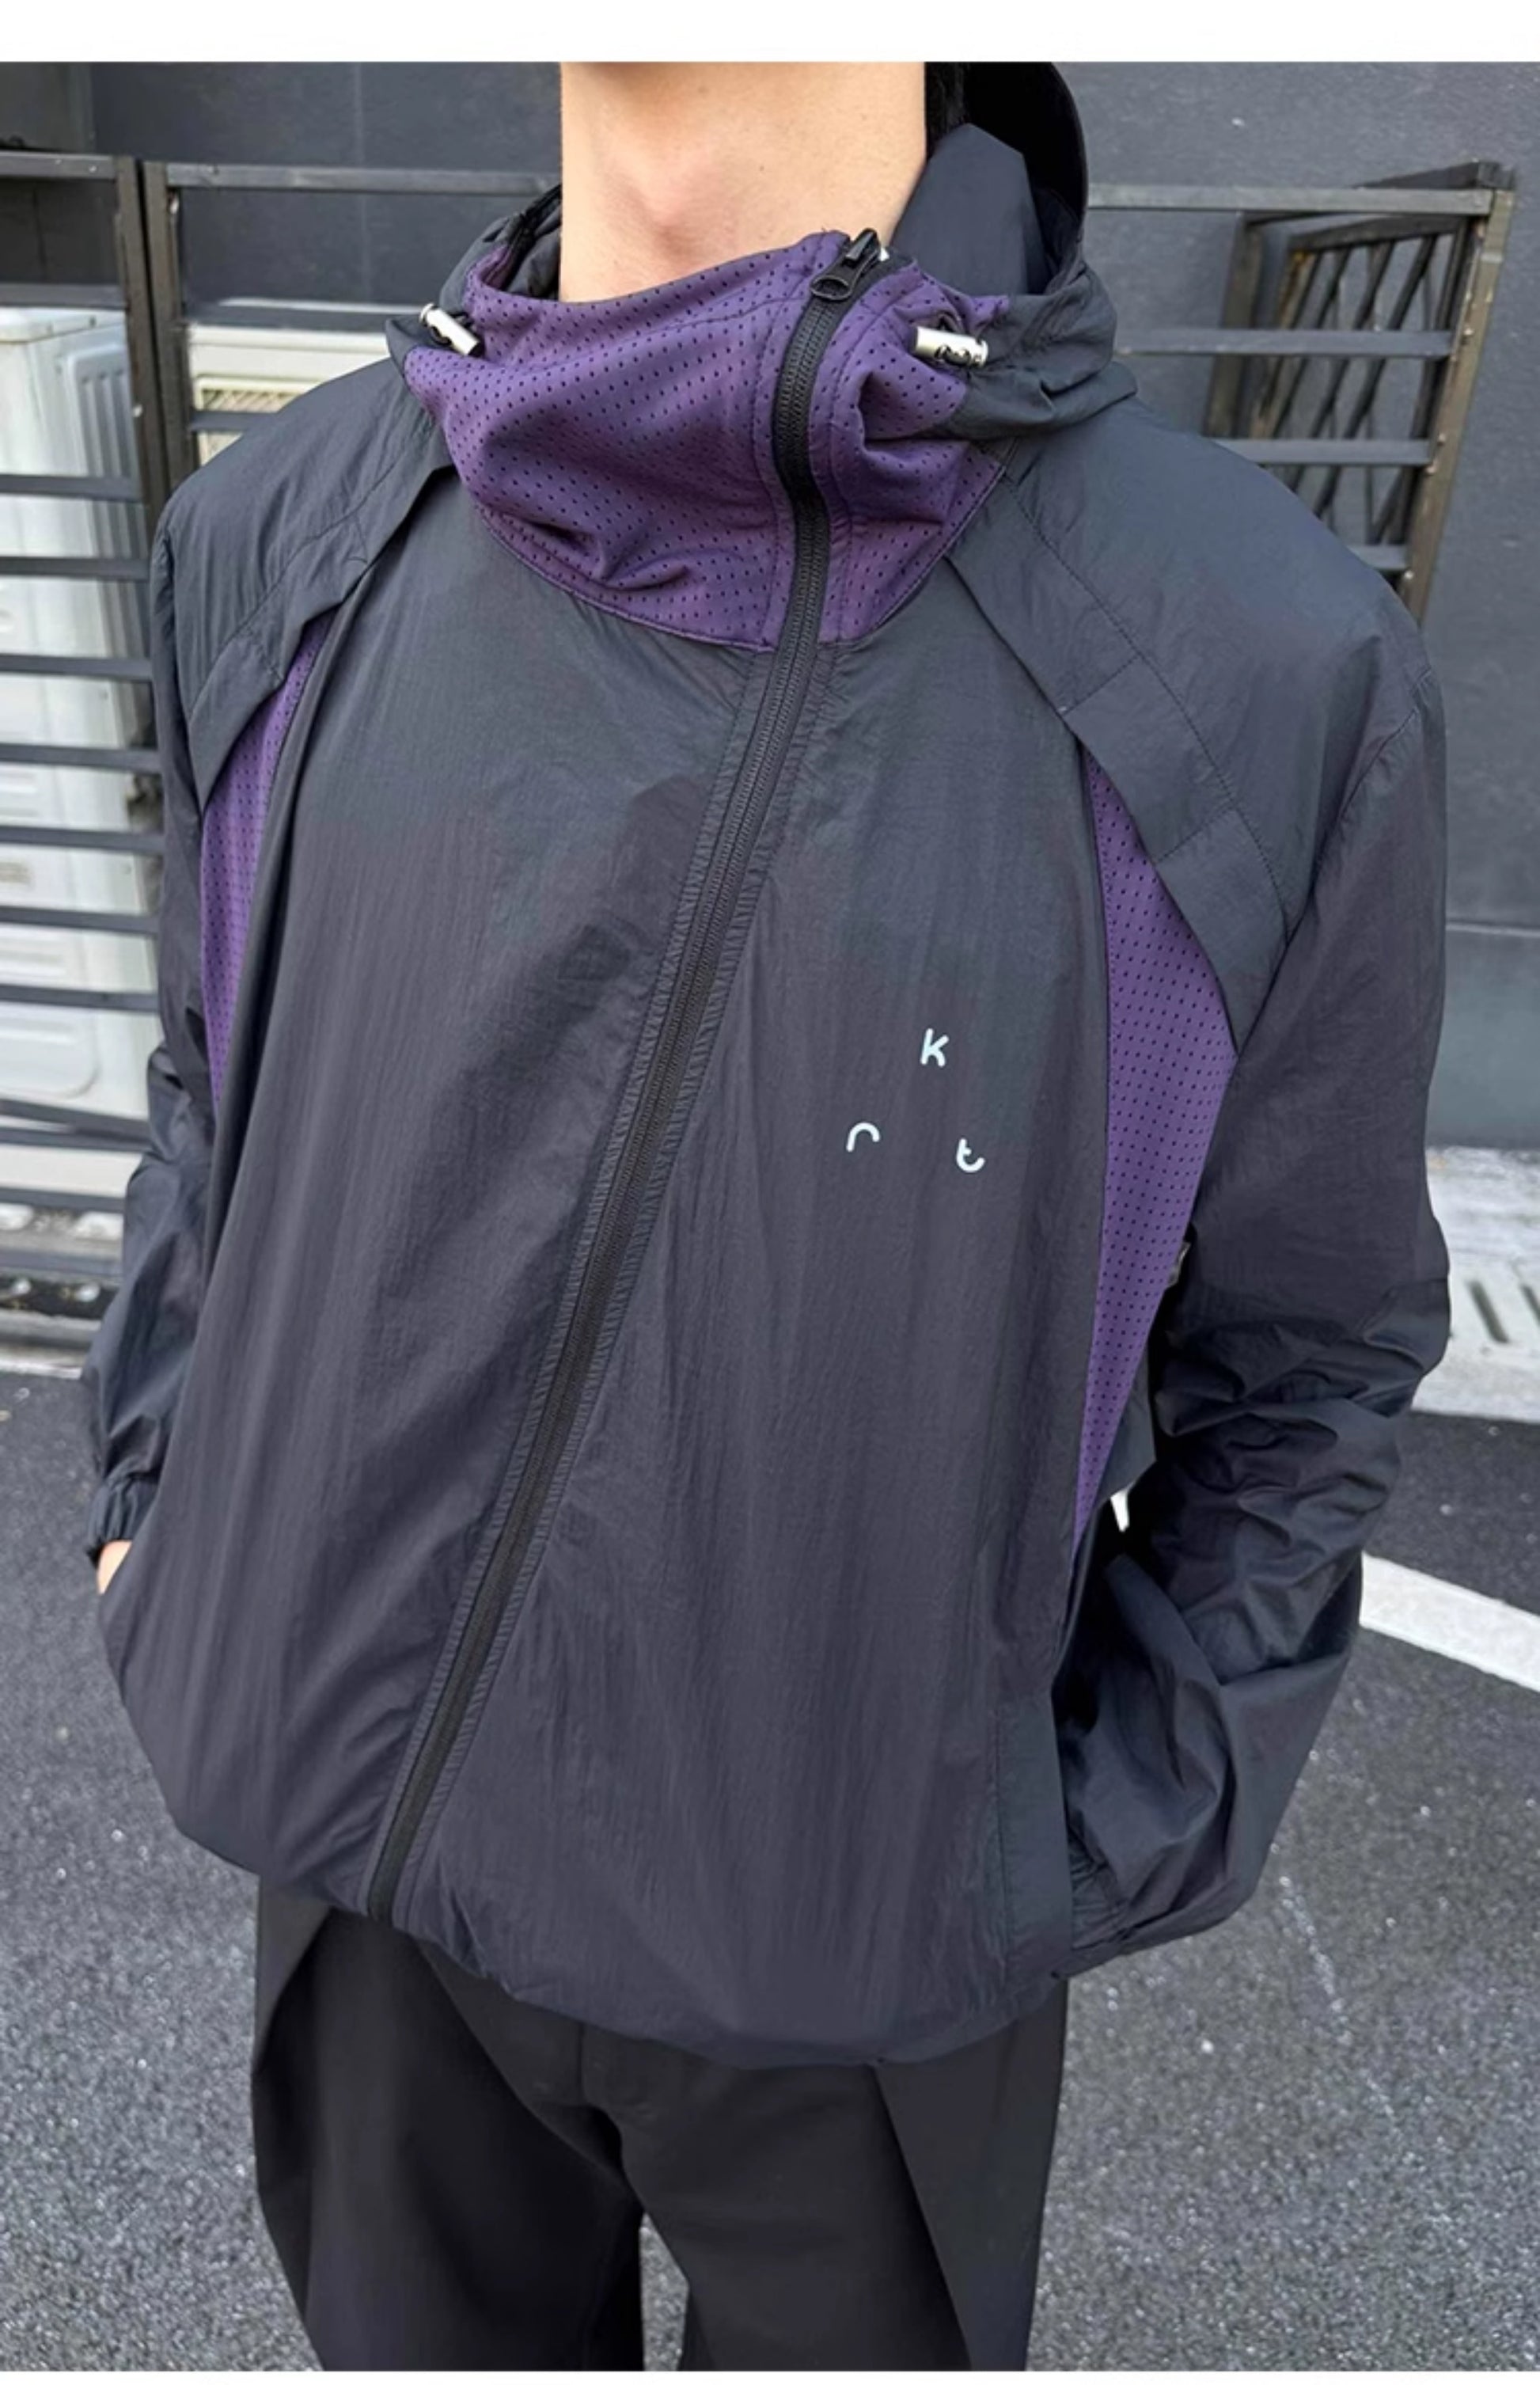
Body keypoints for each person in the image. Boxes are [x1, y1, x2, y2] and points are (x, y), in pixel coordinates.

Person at [82, 60, 1451, 2369]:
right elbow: (221, 1096)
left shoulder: (1253, 660)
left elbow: (1304, 1353)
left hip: (860, 1965)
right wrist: (159, 1515)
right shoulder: (277, 529)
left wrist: (1079, 1829)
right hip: (354, 1870)